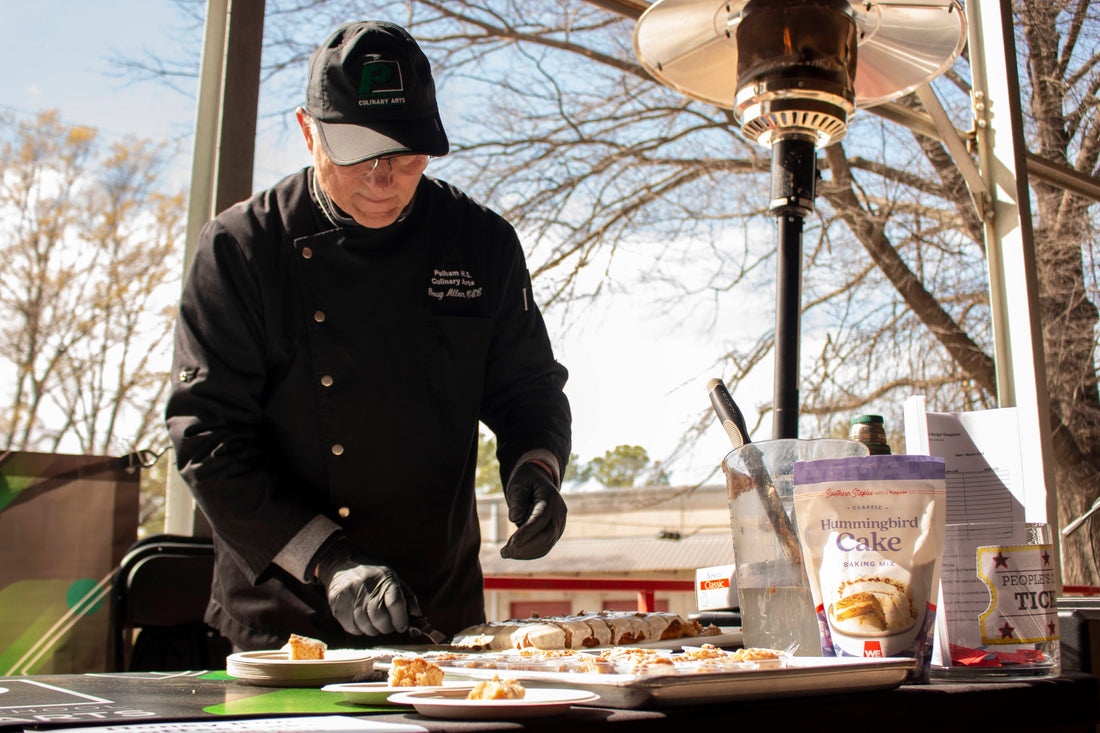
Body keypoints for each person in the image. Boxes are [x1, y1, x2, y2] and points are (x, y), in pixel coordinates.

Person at [165, 20, 572, 651]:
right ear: (309, 131)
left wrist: (536, 464)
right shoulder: (241, 249)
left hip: (438, 607)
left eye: (406, 154)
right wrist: (329, 560)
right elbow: (208, 438)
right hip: (285, 614)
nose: (383, 178)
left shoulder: (480, 241)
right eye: (359, 152)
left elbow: (527, 387)